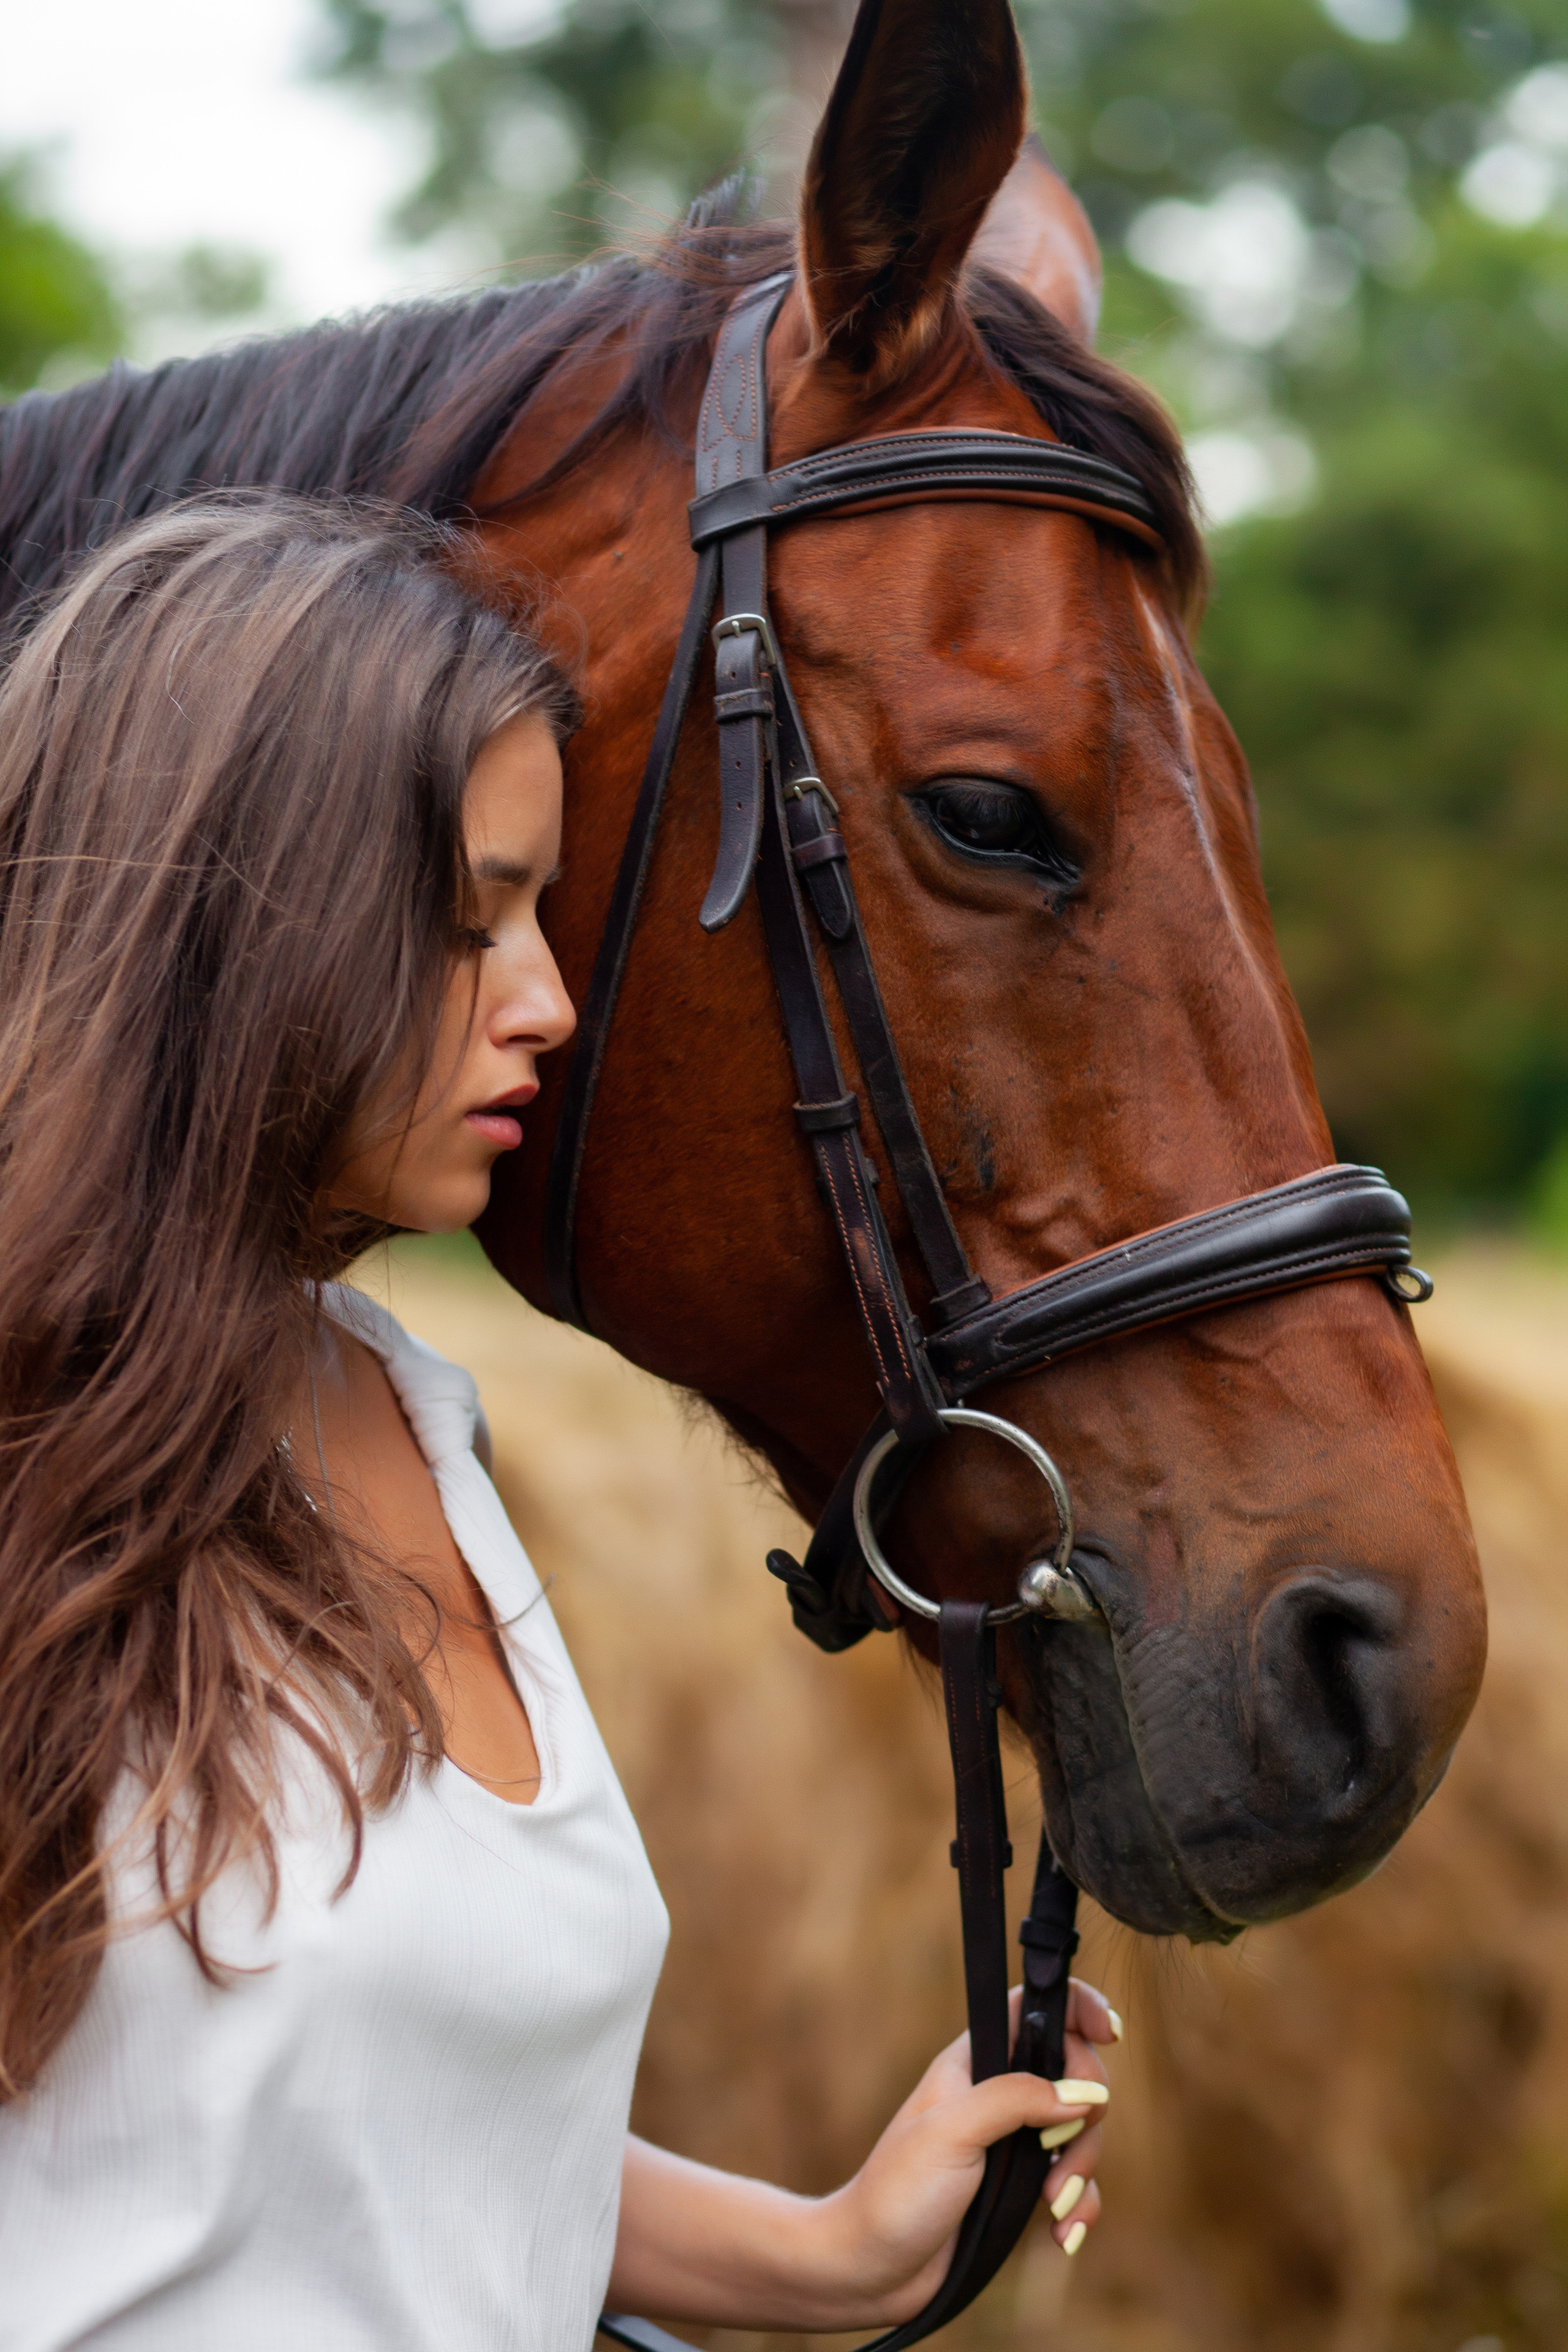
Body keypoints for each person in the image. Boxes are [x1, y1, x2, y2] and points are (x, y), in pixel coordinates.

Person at [0, 493, 1115, 2351]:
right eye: (469, 920)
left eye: (541, 913)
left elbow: (380, 2116)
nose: (551, 1004)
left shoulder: (409, 1414)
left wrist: (828, 2254)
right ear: (227, 933)